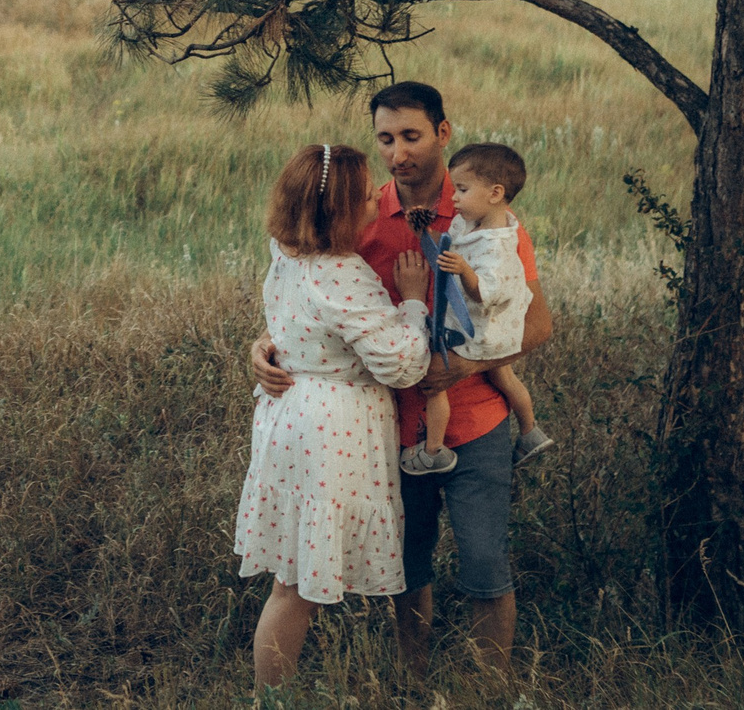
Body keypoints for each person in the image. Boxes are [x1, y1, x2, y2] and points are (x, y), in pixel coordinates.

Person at [248, 82, 552, 678]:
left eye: (411, 136)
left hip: (476, 421)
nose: (398, 153)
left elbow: (537, 325)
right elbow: (314, 298)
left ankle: (490, 691)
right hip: (386, 428)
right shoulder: (357, 212)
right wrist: (264, 346)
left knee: (486, 567)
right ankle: (414, 680)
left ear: (443, 132)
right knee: (408, 569)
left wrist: (462, 368)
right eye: (385, 139)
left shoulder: (484, 218)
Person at [234, 141, 434, 686]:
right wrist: (412, 302)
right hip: (331, 429)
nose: (377, 201)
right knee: (295, 588)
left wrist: (264, 344)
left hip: (291, 414)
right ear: (338, 209)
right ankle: (271, 697)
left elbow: (294, 322)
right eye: (366, 196)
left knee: (289, 579)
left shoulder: (286, 251)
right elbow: (402, 365)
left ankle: (271, 694)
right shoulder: (341, 274)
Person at [403, 142, 552, 474]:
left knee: (435, 379)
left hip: (480, 325)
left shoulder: (498, 246)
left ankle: (433, 450)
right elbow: (449, 246)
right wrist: (426, 233)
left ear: (495, 193)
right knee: (503, 375)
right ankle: (530, 431)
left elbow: (485, 292)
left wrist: (464, 270)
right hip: (492, 324)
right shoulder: (473, 223)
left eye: (462, 189)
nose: (453, 198)